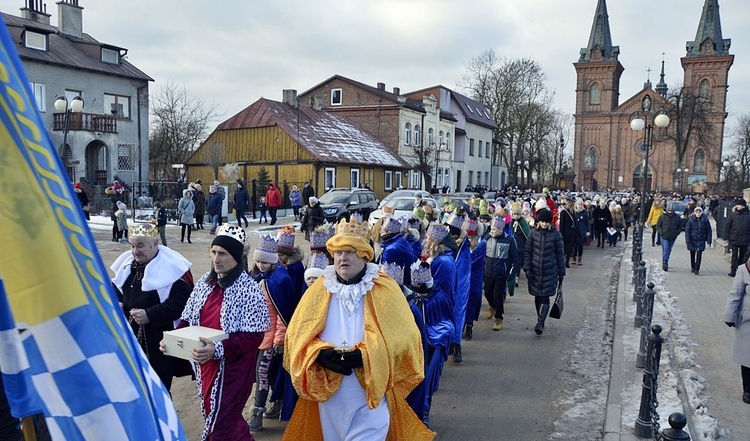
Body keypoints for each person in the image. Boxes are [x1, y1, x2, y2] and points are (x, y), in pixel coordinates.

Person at [282, 217, 433, 440]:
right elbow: (296, 337)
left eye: (350, 252)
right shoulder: (319, 289)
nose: (343, 258)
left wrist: (367, 354)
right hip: (329, 398)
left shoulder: (385, 288)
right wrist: (319, 354)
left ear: (364, 255)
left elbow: (407, 339)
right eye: (339, 252)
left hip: (369, 396)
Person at [163, 224, 270, 440]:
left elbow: (255, 336)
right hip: (205, 364)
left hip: (234, 368)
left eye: (222, 253)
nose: (216, 259)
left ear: (237, 257)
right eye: (213, 252)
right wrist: (174, 340)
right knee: (221, 418)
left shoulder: (248, 289)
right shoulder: (204, 282)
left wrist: (218, 349)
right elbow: (188, 318)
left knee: (219, 424)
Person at [111, 224, 193, 391]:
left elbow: (183, 302)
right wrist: (117, 303)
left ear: (155, 243)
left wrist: (150, 314)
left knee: (158, 390)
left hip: (158, 344)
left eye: (140, 245)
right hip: (130, 340)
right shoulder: (128, 265)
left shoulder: (172, 268)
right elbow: (117, 290)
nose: (135, 251)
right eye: (132, 246)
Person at [248, 235, 298, 431]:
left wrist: (279, 339)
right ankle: (276, 402)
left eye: (265, 262)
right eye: (259, 261)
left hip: (270, 339)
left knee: (262, 374)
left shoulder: (279, 280)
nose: (261, 265)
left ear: (273, 261)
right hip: (255, 337)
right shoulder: (254, 278)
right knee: (264, 374)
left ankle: (257, 413)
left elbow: (282, 313)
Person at [523, 208, 564, 335]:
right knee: (537, 296)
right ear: (538, 222)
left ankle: (540, 322)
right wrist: (527, 268)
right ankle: (540, 317)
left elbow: (560, 254)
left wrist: (561, 271)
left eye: (546, 222)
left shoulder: (556, 235)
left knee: (545, 297)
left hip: (549, 271)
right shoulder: (533, 233)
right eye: (542, 222)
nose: (544, 224)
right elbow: (528, 251)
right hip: (535, 270)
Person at [483, 214, 518, 331]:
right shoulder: (487, 238)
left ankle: (499, 318)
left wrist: (511, 275)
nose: (491, 232)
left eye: (494, 230)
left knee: (498, 296)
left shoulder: (509, 240)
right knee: (487, 292)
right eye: (491, 229)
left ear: (501, 229)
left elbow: (515, 260)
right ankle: (492, 306)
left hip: (501, 274)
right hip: (488, 272)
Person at [722, 259, 750, 405]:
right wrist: (729, 315)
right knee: (747, 357)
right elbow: (735, 294)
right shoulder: (744, 269)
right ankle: (748, 389)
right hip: (748, 321)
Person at [656, 201, 683, 272]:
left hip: (672, 236)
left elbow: (680, 226)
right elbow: (658, 225)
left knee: (668, 250)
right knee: (666, 249)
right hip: (664, 236)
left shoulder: (677, 217)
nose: (670, 212)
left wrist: (676, 233)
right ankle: (665, 263)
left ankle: (665, 260)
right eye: (669, 210)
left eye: (671, 210)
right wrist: (661, 232)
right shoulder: (662, 217)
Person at [726, 198, 750, 277]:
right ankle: (733, 270)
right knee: (734, 255)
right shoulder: (733, 214)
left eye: (740, 205)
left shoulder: (748, 215)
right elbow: (728, 226)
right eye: (738, 205)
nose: (738, 206)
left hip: (745, 238)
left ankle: (740, 271)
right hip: (734, 237)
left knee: (743, 256)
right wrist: (727, 237)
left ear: (743, 206)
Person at [685, 206, 712, 275]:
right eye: (697, 212)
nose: (698, 213)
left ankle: (697, 269)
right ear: (694, 212)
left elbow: (708, 230)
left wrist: (709, 240)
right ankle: (693, 266)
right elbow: (687, 230)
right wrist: (688, 240)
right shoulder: (691, 219)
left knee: (699, 255)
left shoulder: (705, 219)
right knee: (692, 254)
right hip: (693, 239)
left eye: (699, 212)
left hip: (701, 239)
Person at [558, 199, 576, 267]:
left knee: (567, 248)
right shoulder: (565, 212)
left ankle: (566, 262)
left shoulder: (571, 212)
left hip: (567, 232)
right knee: (567, 248)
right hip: (567, 232)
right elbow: (562, 224)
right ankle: (565, 262)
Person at [572, 200, 591, 265]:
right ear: (576, 205)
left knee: (580, 246)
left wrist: (588, 231)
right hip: (574, 231)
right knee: (574, 246)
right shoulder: (573, 212)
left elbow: (587, 223)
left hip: (581, 231)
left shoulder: (584, 212)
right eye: (579, 205)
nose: (580, 206)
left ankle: (580, 258)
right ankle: (574, 257)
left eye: (581, 205)